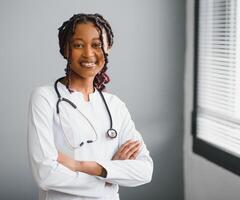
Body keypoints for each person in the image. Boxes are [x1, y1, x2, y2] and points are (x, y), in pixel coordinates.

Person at [27, 13, 153, 200]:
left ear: (107, 48)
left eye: (97, 45)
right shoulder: (45, 98)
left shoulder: (115, 106)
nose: (88, 53)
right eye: (78, 45)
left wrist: (82, 166)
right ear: (65, 50)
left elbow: (145, 170)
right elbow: (46, 175)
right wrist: (109, 178)